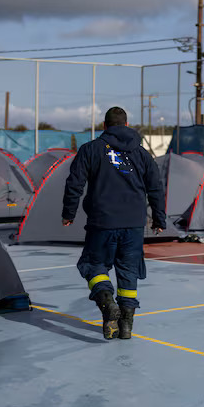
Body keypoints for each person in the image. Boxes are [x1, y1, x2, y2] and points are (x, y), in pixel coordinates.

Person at [62, 106, 166, 340]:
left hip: (103, 222)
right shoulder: (142, 154)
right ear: (127, 126)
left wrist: (69, 213)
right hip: (134, 224)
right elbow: (156, 188)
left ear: (105, 126)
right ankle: (126, 324)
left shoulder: (90, 150)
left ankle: (107, 302)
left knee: (92, 265)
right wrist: (159, 218)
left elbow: (74, 183)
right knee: (128, 271)